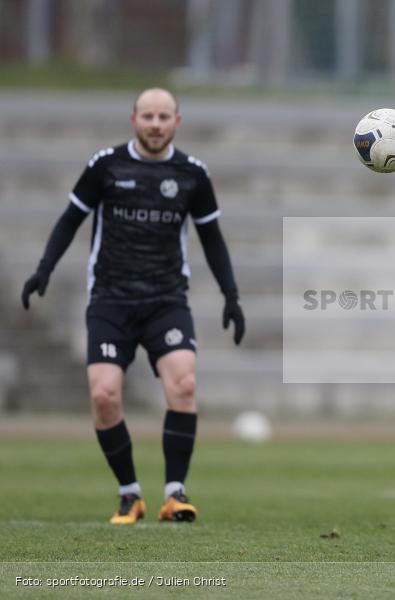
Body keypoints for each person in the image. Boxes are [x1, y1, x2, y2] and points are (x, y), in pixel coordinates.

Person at [21, 88, 245, 525]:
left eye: (164, 116)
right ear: (134, 120)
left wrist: (231, 295)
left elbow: (212, 239)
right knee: (104, 395)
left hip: (166, 301)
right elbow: (70, 219)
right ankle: (130, 494)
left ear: (177, 121)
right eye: (148, 116)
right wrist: (44, 269)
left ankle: (175, 494)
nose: (156, 124)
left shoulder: (192, 174)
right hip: (110, 300)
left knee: (183, 384)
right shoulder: (105, 165)